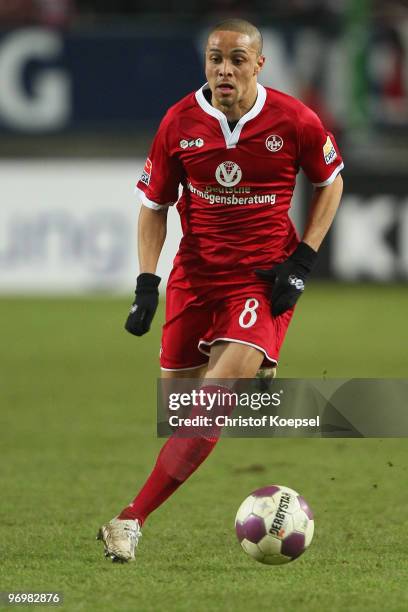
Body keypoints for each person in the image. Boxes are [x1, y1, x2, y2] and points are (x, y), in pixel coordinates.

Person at [97, 18, 344, 562]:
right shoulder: (179, 122)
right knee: (180, 409)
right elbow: (153, 206)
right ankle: (252, 368)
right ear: (204, 62)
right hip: (196, 276)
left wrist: (303, 258)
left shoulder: (294, 119)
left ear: (259, 64)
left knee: (214, 401)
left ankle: (129, 520)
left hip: (261, 279)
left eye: (236, 59)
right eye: (215, 58)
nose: (224, 69)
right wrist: (146, 283)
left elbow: (331, 182)